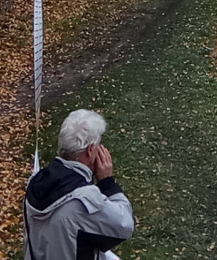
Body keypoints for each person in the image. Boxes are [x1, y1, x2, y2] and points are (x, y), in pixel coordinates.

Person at [24, 109, 134, 260]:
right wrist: (107, 183)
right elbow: (124, 225)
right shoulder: (84, 199)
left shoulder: (37, 181)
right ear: (90, 150)